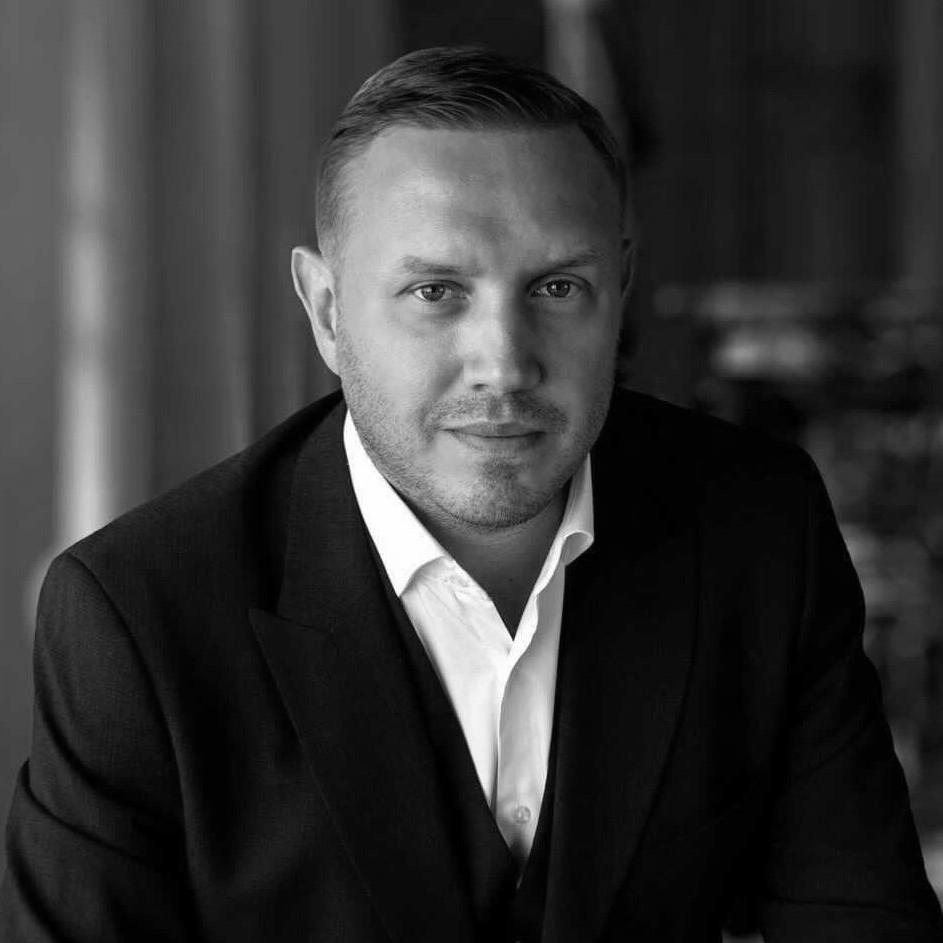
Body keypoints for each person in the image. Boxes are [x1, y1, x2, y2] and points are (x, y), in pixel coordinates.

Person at [1, 45, 941, 943]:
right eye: (436, 291)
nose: (503, 363)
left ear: (620, 288)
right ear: (326, 311)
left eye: (558, 287)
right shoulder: (138, 615)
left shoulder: (759, 530)